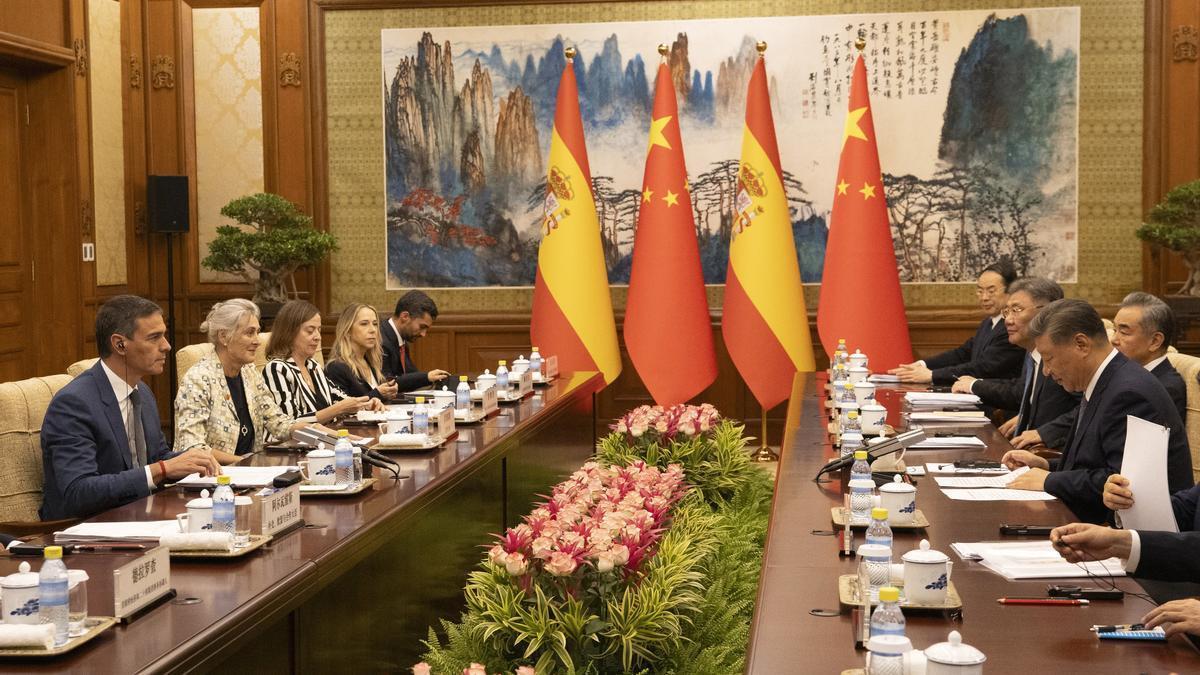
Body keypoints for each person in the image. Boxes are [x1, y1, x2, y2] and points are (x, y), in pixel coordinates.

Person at [1000, 299, 1192, 524]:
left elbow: (1121, 483)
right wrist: (1045, 465)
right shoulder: (1106, 380)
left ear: (1081, 344)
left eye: (1049, 358)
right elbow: (1093, 463)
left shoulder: (1129, 393)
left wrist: (1049, 480)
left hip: (1127, 533)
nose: (1047, 371)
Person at [40, 295, 220, 520]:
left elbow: (156, 456)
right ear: (119, 344)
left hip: (141, 517)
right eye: (154, 338)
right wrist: (162, 469)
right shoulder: (73, 404)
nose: (166, 346)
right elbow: (79, 492)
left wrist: (191, 460)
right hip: (88, 529)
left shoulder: (141, 392)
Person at [1024, 292, 1189, 450]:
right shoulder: (1114, 378)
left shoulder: (1141, 390)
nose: (1114, 339)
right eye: (1115, 329)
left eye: (1124, 332)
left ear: (1155, 341)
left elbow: (1122, 473)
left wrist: (1049, 478)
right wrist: (1047, 465)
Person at [951, 277, 1078, 443]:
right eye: (1007, 311)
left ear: (1047, 312)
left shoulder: (1065, 356)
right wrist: (1025, 415)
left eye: (1016, 310)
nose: (1008, 320)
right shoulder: (1031, 352)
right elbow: (1022, 390)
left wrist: (1044, 432)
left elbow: (1088, 407)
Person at [175, 299, 305, 459]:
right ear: (223, 336)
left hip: (248, 475)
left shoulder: (249, 372)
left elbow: (277, 422)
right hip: (209, 478)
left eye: (257, 332)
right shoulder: (198, 379)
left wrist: (317, 431)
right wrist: (247, 464)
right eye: (249, 333)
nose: (257, 341)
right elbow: (192, 448)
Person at [888, 260, 1025, 384]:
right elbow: (962, 354)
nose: (984, 297)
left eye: (991, 291)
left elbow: (983, 367)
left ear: (1010, 291)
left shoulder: (1012, 328)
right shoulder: (988, 323)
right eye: (980, 291)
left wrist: (932, 375)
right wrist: (921, 365)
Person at [262, 300, 382, 422]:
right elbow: (289, 423)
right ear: (289, 332)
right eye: (310, 331)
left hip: (326, 438)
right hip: (296, 441)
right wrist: (339, 409)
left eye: (319, 330)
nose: (317, 337)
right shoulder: (277, 369)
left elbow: (342, 399)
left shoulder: (313, 367)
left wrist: (365, 404)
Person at [325, 304, 400, 401]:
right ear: (347, 330)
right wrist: (378, 393)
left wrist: (387, 393)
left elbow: (375, 402)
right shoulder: (336, 368)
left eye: (375, 324)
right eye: (364, 324)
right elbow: (341, 408)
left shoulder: (372, 362)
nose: (373, 330)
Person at [380, 290, 450, 392]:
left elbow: (410, 375)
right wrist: (426, 377)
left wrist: (433, 378)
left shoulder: (401, 341)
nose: (423, 334)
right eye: (422, 327)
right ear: (405, 316)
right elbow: (387, 383)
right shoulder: (381, 340)